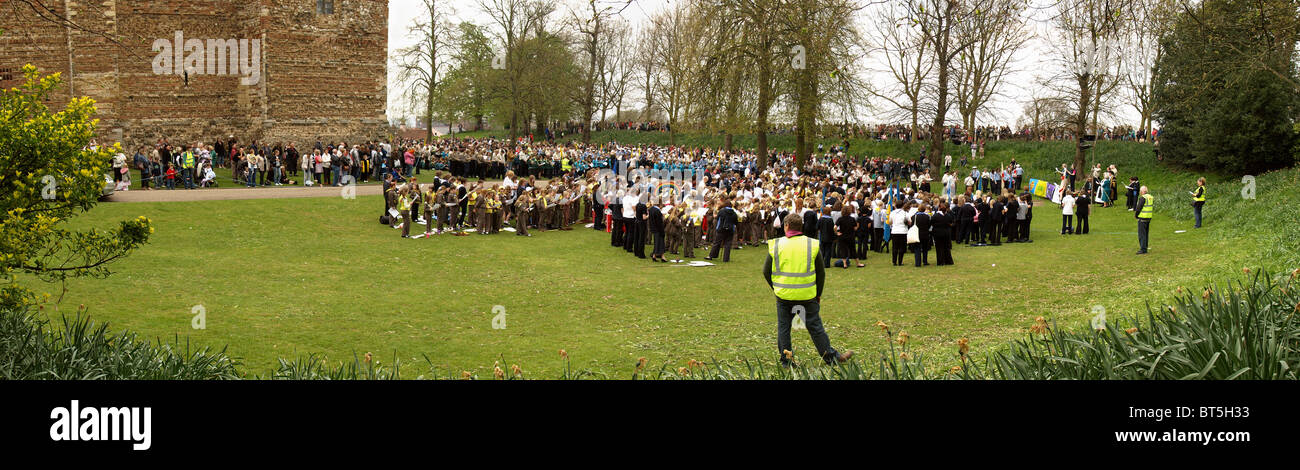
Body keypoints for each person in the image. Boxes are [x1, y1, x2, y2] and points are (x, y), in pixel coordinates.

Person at [763, 213, 853, 366]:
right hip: (807, 294)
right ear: (801, 227)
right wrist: (818, 294)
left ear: (786, 226)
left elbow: (766, 271)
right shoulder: (811, 244)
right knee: (815, 327)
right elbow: (821, 273)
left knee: (784, 327)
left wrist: (776, 288)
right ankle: (830, 357)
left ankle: (786, 360)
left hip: (783, 294)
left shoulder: (776, 244)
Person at [707, 198, 737, 262]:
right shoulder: (734, 213)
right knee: (728, 244)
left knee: (717, 243)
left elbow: (718, 219)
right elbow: (736, 222)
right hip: (730, 230)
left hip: (721, 229)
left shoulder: (722, 211)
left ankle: (711, 255)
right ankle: (726, 258)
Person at [1135, 186, 1153, 254]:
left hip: (1142, 217)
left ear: (1142, 191)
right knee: (1145, 233)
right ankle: (1145, 246)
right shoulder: (1150, 197)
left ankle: (1143, 249)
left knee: (1141, 234)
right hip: (1148, 217)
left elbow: (1138, 208)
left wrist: (1136, 215)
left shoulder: (1143, 198)